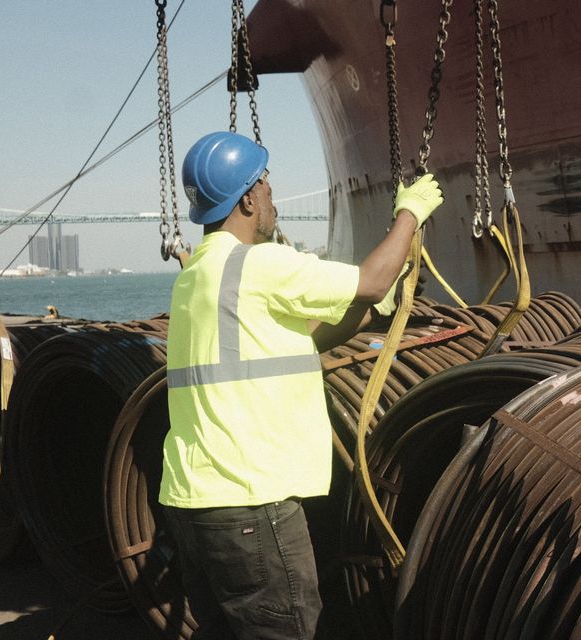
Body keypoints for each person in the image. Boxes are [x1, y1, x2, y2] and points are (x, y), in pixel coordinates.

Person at [159, 131, 442, 640]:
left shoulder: (197, 275)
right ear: (248, 198)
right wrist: (410, 214)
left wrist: (370, 309)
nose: (271, 197)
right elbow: (374, 277)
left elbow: (300, 338)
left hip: (195, 505)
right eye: (265, 185)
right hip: (251, 502)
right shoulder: (260, 263)